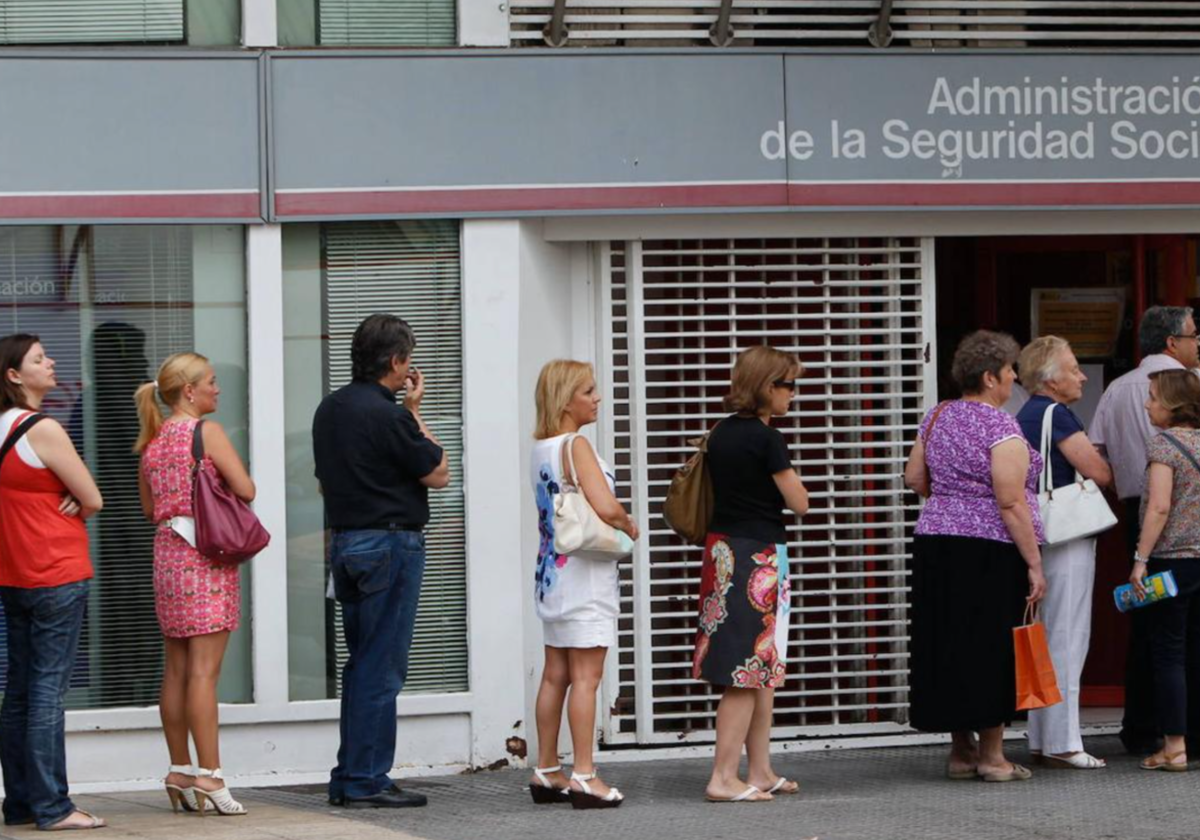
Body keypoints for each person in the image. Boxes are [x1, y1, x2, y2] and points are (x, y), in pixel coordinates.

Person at [313, 314, 450, 809]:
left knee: (361, 664)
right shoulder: (389, 414)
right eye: (407, 361)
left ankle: (351, 772)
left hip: (347, 544)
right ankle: (366, 779)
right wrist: (415, 410)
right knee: (381, 667)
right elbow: (438, 472)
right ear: (396, 362)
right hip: (390, 544)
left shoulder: (329, 409)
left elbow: (324, 482)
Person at [903, 330, 1046, 782]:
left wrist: (950, 496)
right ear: (990, 377)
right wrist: (1034, 563)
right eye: (1009, 372)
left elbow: (913, 478)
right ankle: (994, 757)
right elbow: (1010, 501)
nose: (1013, 380)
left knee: (946, 640)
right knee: (991, 645)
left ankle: (961, 752)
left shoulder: (937, 415)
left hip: (936, 541)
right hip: (989, 548)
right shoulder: (1001, 426)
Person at [135, 352, 255, 816]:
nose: (217, 388)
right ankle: (211, 774)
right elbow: (245, 489)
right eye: (211, 381)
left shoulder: (154, 439)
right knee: (205, 673)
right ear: (189, 391)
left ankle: (179, 768)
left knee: (177, 670)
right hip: (204, 557)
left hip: (167, 555)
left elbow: (150, 509)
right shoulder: (207, 433)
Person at [690, 346, 809, 803]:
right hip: (757, 556)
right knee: (746, 671)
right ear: (767, 387)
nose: (793, 395)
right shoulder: (767, 439)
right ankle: (723, 776)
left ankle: (758, 769)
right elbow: (799, 502)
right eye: (789, 385)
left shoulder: (720, 432)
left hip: (722, 551)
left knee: (760, 671)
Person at [0, 334, 105, 831]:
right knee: (46, 692)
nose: (51, 362)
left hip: (14, 571)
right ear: (14, 376)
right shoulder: (43, 428)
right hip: (56, 571)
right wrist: (73, 498)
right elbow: (93, 497)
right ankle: (52, 806)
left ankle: (20, 802)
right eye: (39, 359)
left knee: (19, 690)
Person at [527, 360, 639, 809]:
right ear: (565, 399)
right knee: (587, 678)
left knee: (556, 675)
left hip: (551, 577)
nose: (597, 398)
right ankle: (585, 775)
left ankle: (547, 768)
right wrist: (629, 525)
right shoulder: (577, 444)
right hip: (584, 577)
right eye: (588, 391)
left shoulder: (542, 447)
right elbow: (605, 507)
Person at [1092, 306, 1200, 754]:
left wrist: (1138, 552)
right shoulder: (1191, 388)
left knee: (1152, 633)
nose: (1198, 343)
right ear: (1172, 342)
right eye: (1195, 335)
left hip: (1148, 522)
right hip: (1180, 525)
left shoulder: (1116, 389)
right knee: (1183, 637)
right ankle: (1184, 734)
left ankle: (1143, 729)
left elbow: (1096, 455)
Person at [1016, 336, 1113, 769]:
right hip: (1068, 535)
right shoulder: (1059, 414)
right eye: (1074, 368)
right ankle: (1065, 741)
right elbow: (1098, 471)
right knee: (1069, 635)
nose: (1082, 376)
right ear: (1051, 380)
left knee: (1048, 632)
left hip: (1039, 534)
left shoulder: (1023, 414)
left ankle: (1042, 735)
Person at [1130, 369, 1200, 772]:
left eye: (1154, 397)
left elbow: (1158, 507)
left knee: (1169, 653)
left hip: (1172, 562)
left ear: (1173, 404)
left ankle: (1174, 745)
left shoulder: (1164, 446)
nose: (1147, 403)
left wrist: (1140, 559)